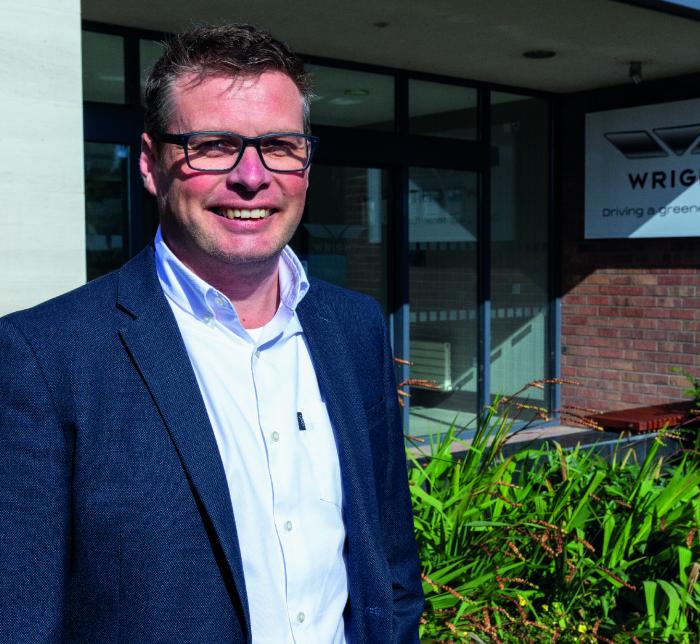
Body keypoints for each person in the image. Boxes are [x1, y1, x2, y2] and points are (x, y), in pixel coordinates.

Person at [0, 23, 423, 643]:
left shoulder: (354, 327)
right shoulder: (44, 356)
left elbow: (390, 560)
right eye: (214, 145)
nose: (252, 176)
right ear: (151, 164)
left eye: (279, 145)